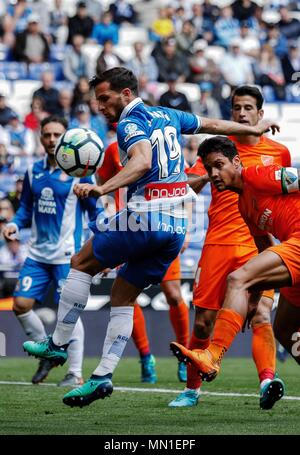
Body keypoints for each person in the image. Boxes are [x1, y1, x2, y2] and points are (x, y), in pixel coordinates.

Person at [23, 67, 278, 408]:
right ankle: (101, 377)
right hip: (175, 228)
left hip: (147, 214)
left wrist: (103, 187)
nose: (100, 106)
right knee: (122, 295)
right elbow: (214, 126)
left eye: (104, 98)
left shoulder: (131, 122)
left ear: (126, 95)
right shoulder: (167, 114)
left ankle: (57, 343)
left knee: (80, 262)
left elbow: (141, 162)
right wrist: (253, 128)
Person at [169, 85, 290, 410]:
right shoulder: (217, 151)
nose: (241, 113)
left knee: (262, 313)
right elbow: (184, 185)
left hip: (257, 242)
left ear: (260, 113)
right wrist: (213, 171)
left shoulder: (278, 153)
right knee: (203, 322)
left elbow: (281, 196)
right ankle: (192, 390)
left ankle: (267, 380)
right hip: (219, 241)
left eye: (248, 107)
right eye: (236, 107)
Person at [2, 115, 99, 387]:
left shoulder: (80, 172)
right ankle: (48, 352)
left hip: (68, 257)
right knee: (20, 305)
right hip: (37, 255)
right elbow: (25, 209)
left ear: (67, 139)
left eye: (58, 135)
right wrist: (13, 224)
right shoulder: (33, 170)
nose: (52, 140)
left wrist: (103, 247)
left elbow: (96, 213)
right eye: (47, 135)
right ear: (41, 138)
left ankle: (75, 372)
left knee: (68, 313)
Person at [97, 140, 190, 383]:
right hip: (130, 228)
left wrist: (186, 225)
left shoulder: (167, 144)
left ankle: (184, 355)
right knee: (128, 294)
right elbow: (104, 183)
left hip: (165, 225)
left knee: (174, 294)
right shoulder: (113, 149)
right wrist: (110, 214)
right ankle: (146, 356)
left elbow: (185, 187)